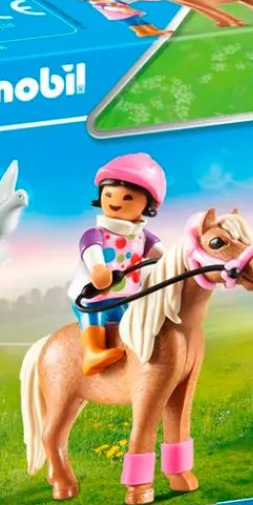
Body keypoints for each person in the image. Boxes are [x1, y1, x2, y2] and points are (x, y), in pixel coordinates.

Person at [68, 153, 167, 375]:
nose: (115, 201)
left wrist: (173, 264)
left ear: (147, 204)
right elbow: (92, 253)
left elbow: (162, 256)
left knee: (136, 319)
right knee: (93, 314)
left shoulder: (141, 236)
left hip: (125, 297)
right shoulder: (96, 234)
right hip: (92, 295)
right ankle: (92, 351)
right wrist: (98, 270)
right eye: (108, 194)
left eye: (127, 197)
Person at [73, 0, 170, 38]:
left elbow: (122, 2)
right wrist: (120, 9)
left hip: (127, 13)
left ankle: (154, 30)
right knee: (134, 23)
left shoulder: (108, 0)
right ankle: (142, 32)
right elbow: (108, 8)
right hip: (121, 16)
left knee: (141, 21)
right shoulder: (99, 4)